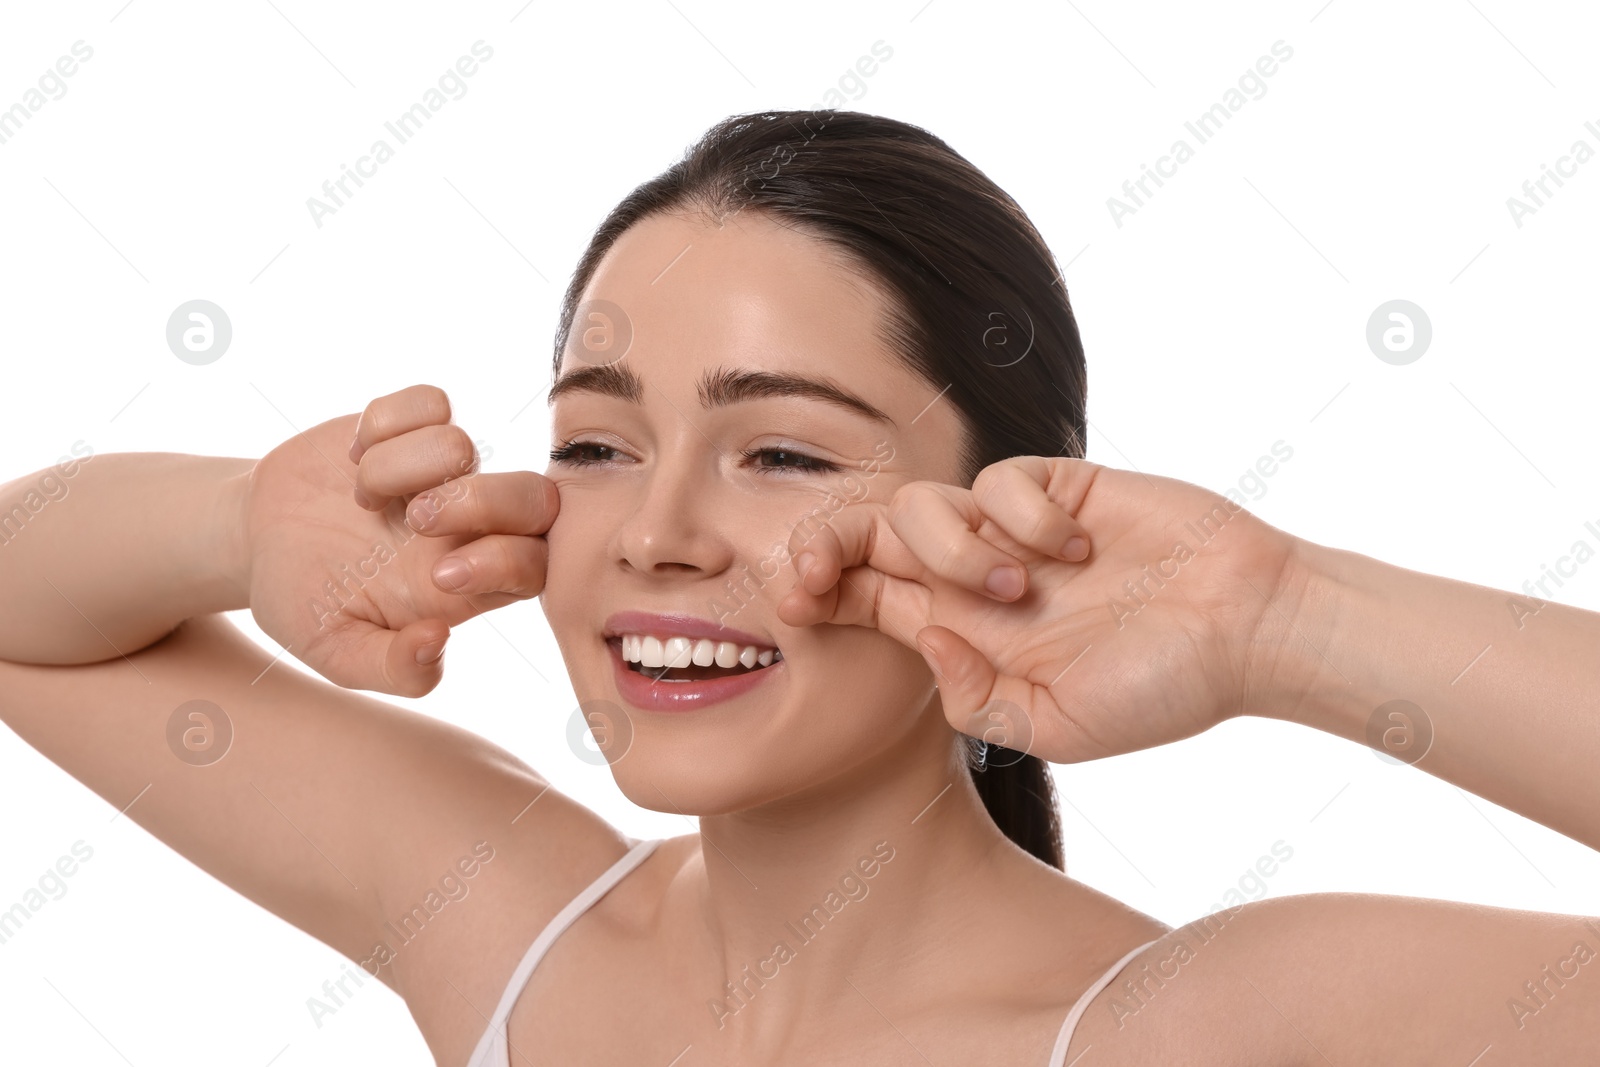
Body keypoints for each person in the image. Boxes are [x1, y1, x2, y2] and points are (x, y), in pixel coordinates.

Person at [1, 109, 1595, 1065]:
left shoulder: (1194, 1028)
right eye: (600, 445)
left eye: (785, 455)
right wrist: (234, 522)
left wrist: (1287, 621)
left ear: (1008, 522)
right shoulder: (506, 928)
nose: (658, 533)